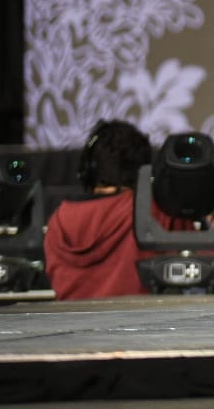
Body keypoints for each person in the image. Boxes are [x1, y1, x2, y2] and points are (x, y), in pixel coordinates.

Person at [43, 120, 166, 300]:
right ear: (144, 172)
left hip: (71, 326)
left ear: (88, 168)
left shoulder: (58, 220)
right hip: (141, 324)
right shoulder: (154, 210)